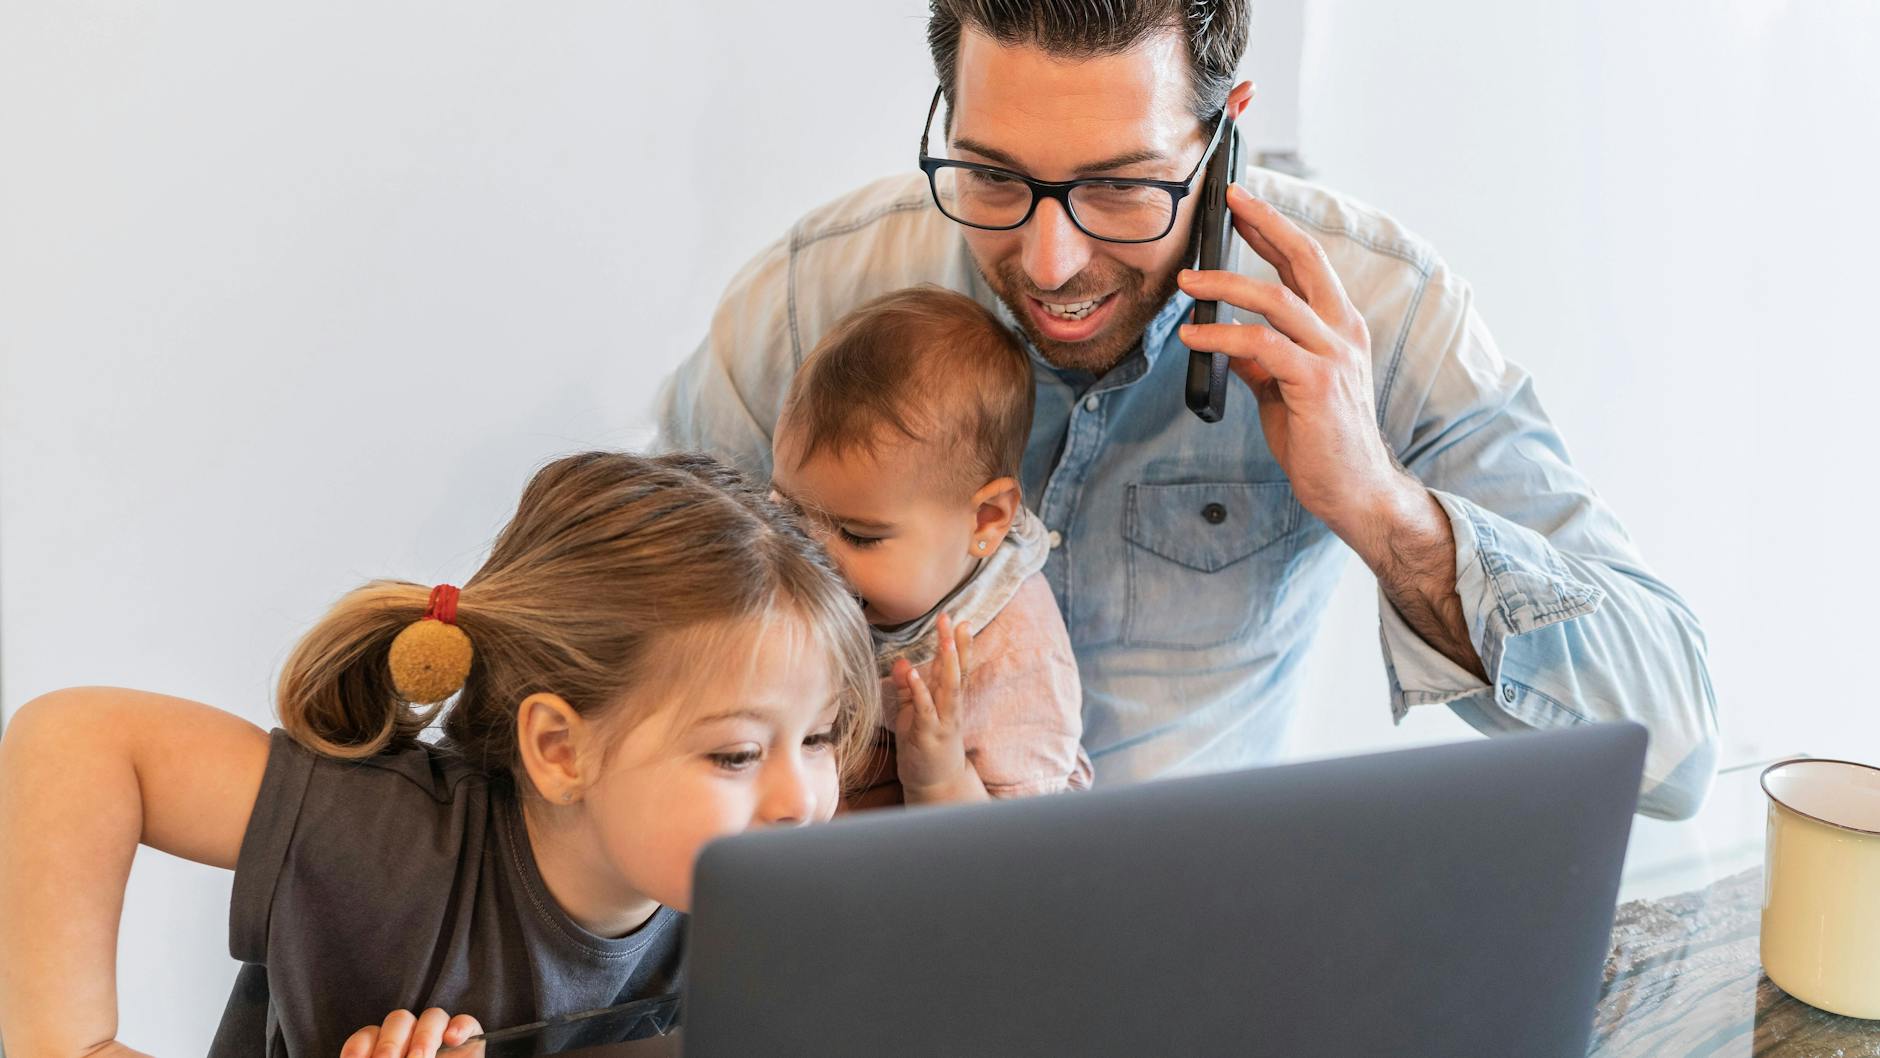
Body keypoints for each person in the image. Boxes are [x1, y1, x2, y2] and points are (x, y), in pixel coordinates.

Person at [657, 0, 1720, 819]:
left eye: (1121, 187)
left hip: (1194, 955)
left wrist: (1383, 509)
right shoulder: (810, 299)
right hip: (861, 932)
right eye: (989, 174)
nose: (1048, 261)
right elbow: (638, 649)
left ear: (1225, 131)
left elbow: (1669, 749)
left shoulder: (1380, 308)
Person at [0, 451, 933, 1058]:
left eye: (817, 739)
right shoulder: (389, 838)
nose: (799, 798)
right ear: (560, 749)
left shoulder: (741, 924)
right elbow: (76, 739)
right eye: (735, 754)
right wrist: (71, 1047)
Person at [770, 286, 1093, 806]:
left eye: (859, 535)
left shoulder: (1013, 657)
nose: (814, 557)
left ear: (985, 520)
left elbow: (1014, 858)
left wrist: (937, 774)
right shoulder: (828, 570)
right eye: (787, 511)